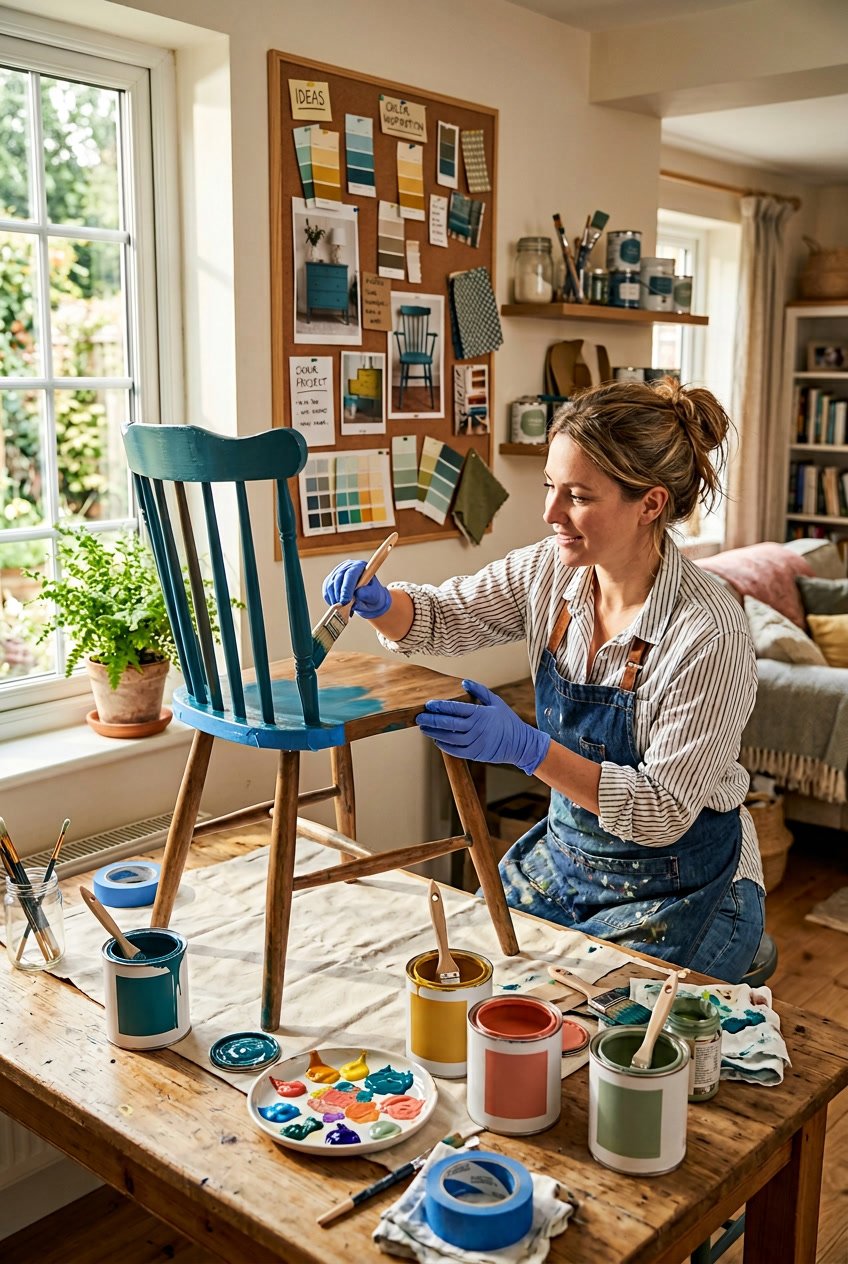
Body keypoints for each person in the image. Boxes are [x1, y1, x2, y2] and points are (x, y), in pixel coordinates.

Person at [321, 379, 765, 981]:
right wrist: (381, 603)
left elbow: (661, 812)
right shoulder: (548, 570)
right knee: (470, 985)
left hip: (686, 887)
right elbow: (446, 617)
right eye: (551, 487)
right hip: (563, 863)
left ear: (651, 504)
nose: (551, 513)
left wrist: (527, 749)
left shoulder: (709, 630)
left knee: (590, 1037)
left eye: (577, 496)